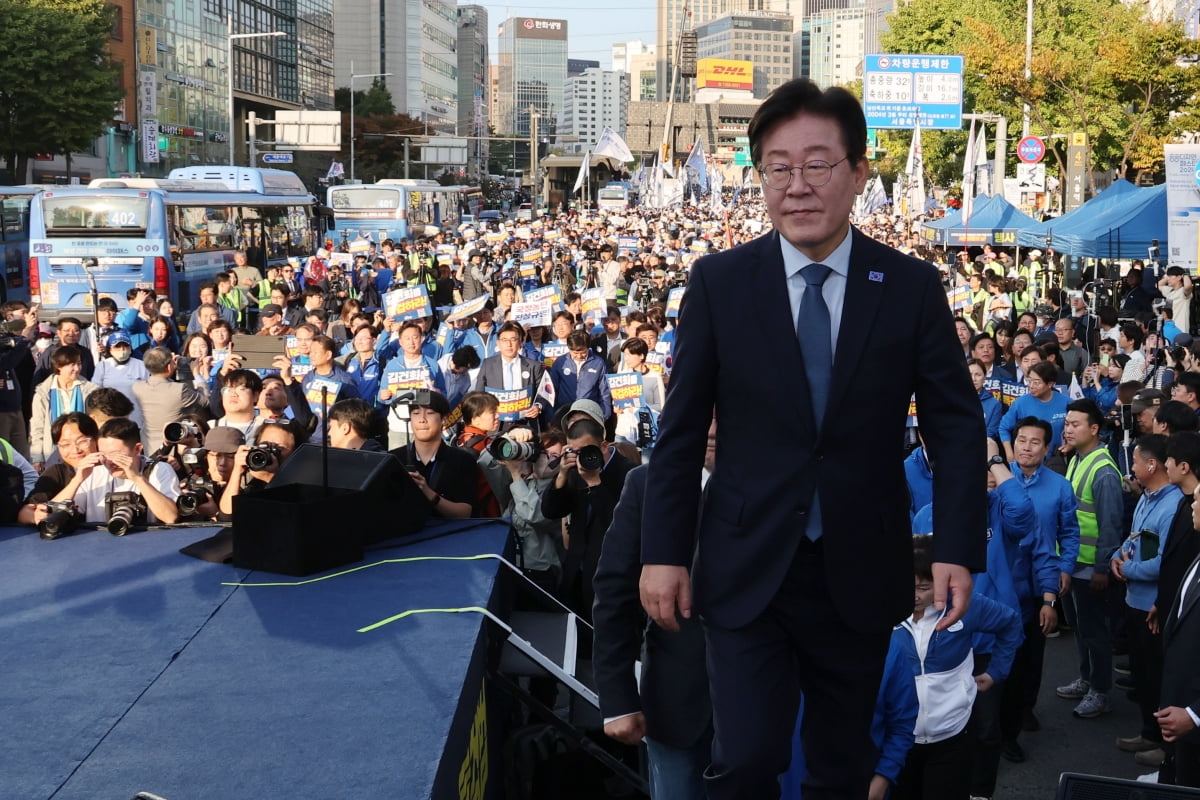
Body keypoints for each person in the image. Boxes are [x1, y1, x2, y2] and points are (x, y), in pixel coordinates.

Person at [640, 79, 986, 800]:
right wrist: (664, 554)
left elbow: (954, 427)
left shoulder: (912, 287)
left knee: (841, 766)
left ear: (859, 174)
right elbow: (676, 437)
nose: (796, 186)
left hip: (860, 564)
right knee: (746, 758)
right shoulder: (719, 283)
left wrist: (956, 546)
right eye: (778, 166)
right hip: (744, 564)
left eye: (818, 164)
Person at [594, 418, 716, 800]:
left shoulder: (777, 484)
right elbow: (614, 592)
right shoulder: (646, 485)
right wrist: (617, 700)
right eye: (705, 413)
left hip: (770, 703)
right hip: (676, 705)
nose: (711, 427)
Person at [891, 535, 1022, 800]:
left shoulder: (968, 606)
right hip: (900, 741)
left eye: (925, 587)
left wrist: (996, 671)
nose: (914, 596)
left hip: (953, 736)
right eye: (908, 585)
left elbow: (1010, 624)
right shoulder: (881, 609)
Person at [1005, 416, 1080, 738]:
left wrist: (1065, 568)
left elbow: (1070, 532)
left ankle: (1025, 709)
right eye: (1022, 440)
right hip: (1003, 581)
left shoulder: (1060, 486)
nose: (1027, 447)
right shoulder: (998, 479)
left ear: (1047, 448)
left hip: (1041, 582)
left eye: (1035, 442)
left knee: (1032, 654)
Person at [1111, 434, 1181, 762]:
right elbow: (1136, 540)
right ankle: (1148, 733)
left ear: (1151, 465)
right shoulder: (1146, 498)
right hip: (1132, 601)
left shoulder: (1172, 507)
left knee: (1156, 677)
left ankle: (1163, 747)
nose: (1132, 468)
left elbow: (1163, 562)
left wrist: (1129, 570)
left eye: (1136, 462)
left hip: (1151, 607)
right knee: (1142, 675)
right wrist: (1117, 555)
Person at [1056, 399, 1125, 719]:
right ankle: (1087, 679)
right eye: (1066, 423)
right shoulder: (1077, 459)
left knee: (1095, 632)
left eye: (1075, 424)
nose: (1067, 429)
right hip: (1071, 563)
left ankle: (1101, 690)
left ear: (1094, 429)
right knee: (1080, 628)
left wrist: (1101, 569)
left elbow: (1111, 526)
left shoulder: (1104, 470)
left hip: (1089, 570)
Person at [542, 415, 636, 622]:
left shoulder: (629, 473)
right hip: (576, 570)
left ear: (603, 445)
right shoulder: (575, 469)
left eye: (586, 451)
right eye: (573, 451)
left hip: (611, 576)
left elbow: (619, 525)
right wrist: (562, 476)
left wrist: (594, 483)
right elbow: (550, 511)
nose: (580, 457)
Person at [49, 417, 180, 525]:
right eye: (104, 455)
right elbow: (51, 514)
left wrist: (138, 478)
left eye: (116, 455)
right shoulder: (95, 473)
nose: (110, 461)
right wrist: (77, 480)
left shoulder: (159, 470)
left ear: (137, 449)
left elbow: (170, 517)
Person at [218, 418, 308, 518]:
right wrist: (237, 471)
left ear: (296, 452)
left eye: (279, 448)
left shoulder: (306, 481)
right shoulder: (252, 475)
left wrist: (272, 479)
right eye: (264, 445)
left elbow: (295, 517)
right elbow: (226, 516)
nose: (270, 451)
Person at [19, 412, 98, 526]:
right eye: (65, 444)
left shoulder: (113, 469)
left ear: (96, 439)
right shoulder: (56, 473)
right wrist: (36, 516)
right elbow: (24, 513)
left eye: (82, 441)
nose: (75, 450)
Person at [29, 346, 99, 471]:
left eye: (79, 364)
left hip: (83, 451)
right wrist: (37, 457)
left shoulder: (90, 390)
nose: (77, 369)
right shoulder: (43, 392)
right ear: (59, 366)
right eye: (72, 365)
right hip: (52, 452)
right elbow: (37, 426)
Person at [130, 347, 207, 455]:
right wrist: (196, 374)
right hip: (174, 446)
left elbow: (162, 384)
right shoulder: (179, 390)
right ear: (168, 366)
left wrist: (170, 367)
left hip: (148, 447)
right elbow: (205, 400)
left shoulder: (137, 387)